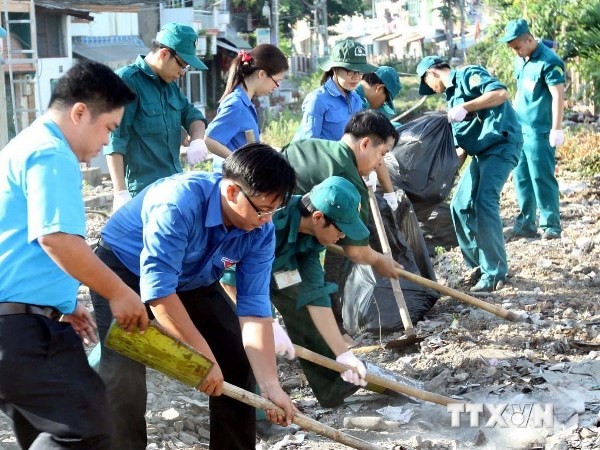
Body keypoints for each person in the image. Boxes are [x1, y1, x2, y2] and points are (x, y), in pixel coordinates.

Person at [90, 144, 297, 450]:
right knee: (124, 373)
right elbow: (159, 292)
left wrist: (271, 385)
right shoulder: (178, 204)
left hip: (194, 278)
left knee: (235, 358)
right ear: (231, 192)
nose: (267, 219)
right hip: (125, 269)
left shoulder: (259, 230)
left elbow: (253, 308)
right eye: (262, 209)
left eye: (274, 210)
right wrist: (202, 357)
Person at [0, 61, 149, 450]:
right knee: (88, 426)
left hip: (18, 322)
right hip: (22, 332)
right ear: (80, 112)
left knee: (48, 428)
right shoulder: (52, 152)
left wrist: (59, 303)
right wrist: (118, 292)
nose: (105, 144)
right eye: (108, 129)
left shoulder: (24, 144)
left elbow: (20, 241)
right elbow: (57, 239)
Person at [222, 177, 370, 411]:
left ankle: (334, 386)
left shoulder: (312, 237)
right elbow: (228, 278)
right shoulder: (269, 216)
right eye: (341, 230)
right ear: (318, 218)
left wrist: (344, 355)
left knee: (304, 308)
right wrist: (265, 323)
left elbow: (315, 296)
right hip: (229, 277)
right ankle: (257, 412)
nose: (342, 238)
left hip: (278, 270)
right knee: (242, 336)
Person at [416, 56, 523, 292]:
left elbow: (500, 94)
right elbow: (462, 146)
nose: (432, 89)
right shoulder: (451, 99)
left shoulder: (467, 75)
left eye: (428, 83)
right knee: (459, 204)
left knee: (484, 202)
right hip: (480, 153)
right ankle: (477, 265)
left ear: (431, 73)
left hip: (501, 145)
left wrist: (466, 107)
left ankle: (494, 273)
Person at [282, 110, 402, 307]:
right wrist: (380, 260)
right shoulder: (350, 182)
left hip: (260, 224)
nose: (380, 162)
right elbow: (356, 250)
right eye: (382, 154)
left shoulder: (308, 145)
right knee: (306, 297)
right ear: (365, 144)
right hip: (281, 241)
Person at [105, 22, 209, 211]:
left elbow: (193, 116)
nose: (182, 73)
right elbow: (115, 141)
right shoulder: (127, 81)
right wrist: (120, 193)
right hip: (143, 195)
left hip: (173, 188)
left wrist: (197, 140)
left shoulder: (170, 87)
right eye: (182, 65)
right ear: (164, 54)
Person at [500, 19, 565, 240]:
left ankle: (550, 225)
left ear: (529, 39)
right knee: (522, 177)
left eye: (518, 47)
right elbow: (520, 92)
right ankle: (526, 223)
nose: (516, 52)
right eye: (513, 49)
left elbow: (558, 95)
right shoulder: (522, 61)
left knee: (542, 177)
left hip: (540, 130)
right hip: (521, 129)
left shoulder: (549, 61)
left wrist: (556, 129)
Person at [205, 44, 288, 172]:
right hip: (231, 180)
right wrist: (240, 163)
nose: (276, 86)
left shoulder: (246, 104)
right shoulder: (236, 104)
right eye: (277, 81)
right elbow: (210, 139)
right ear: (261, 74)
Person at [292, 39, 377, 142]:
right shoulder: (317, 100)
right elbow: (309, 145)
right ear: (335, 69)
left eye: (360, 71)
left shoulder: (356, 100)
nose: (356, 77)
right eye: (350, 71)